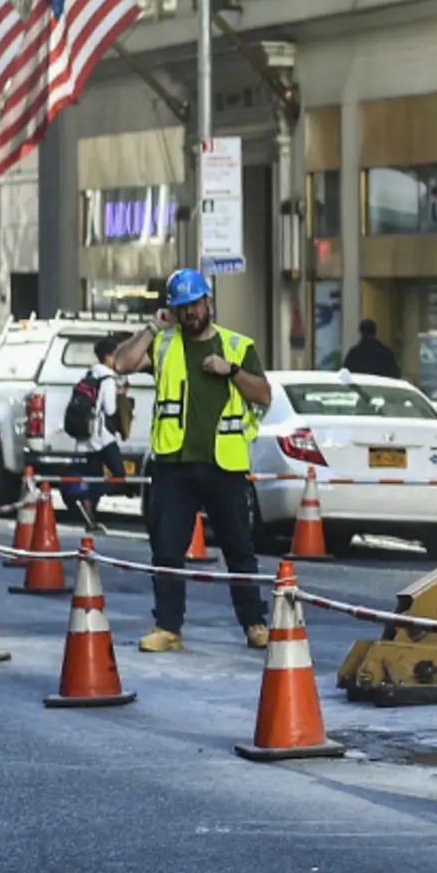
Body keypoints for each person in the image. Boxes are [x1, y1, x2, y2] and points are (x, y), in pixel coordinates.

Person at [110, 270, 274, 652]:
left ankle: (254, 623)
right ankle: (168, 627)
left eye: (195, 305)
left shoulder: (237, 345)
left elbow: (263, 395)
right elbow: (121, 363)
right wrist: (152, 326)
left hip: (225, 464)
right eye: (182, 308)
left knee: (238, 549)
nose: (190, 313)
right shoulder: (164, 344)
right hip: (174, 463)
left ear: (208, 302)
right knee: (166, 549)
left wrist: (230, 371)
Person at [62, 333, 129, 525]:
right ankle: (88, 501)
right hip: (104, 438)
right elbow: (110, 409)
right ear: (108, 356)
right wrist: (119, 396)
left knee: (95, 477)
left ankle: (89, 511)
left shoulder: (89, 374)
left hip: (87, 437)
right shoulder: (107, 378)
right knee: (119, 476)